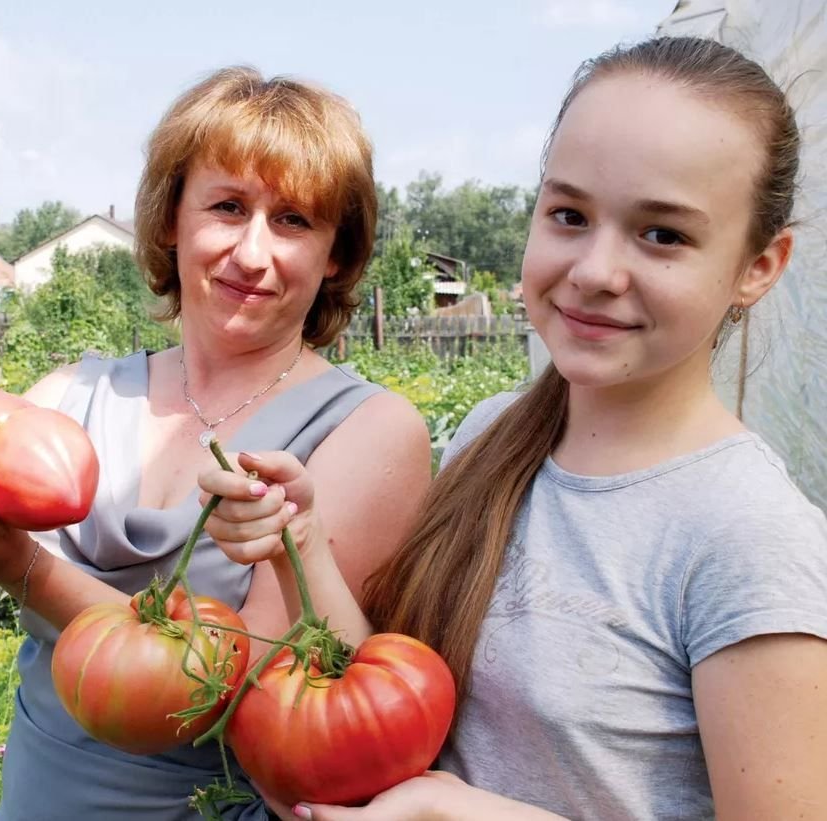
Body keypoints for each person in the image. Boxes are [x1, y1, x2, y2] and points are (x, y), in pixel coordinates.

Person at [199, 37, 827, 821]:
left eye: (662, 234)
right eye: (569, 214)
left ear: (758, 267)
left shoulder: (749, 542)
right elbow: (392, 693)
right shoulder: (495, 432)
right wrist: (301, 539)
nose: (596, 269)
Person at [0, 67, 431, 820]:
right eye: (227, 207)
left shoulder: (372, 429)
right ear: (170, 221)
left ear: (337, 256)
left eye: (294, 220)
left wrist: (27, 569)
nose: (253, 253)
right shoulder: (70, 394)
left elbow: (232, 682)